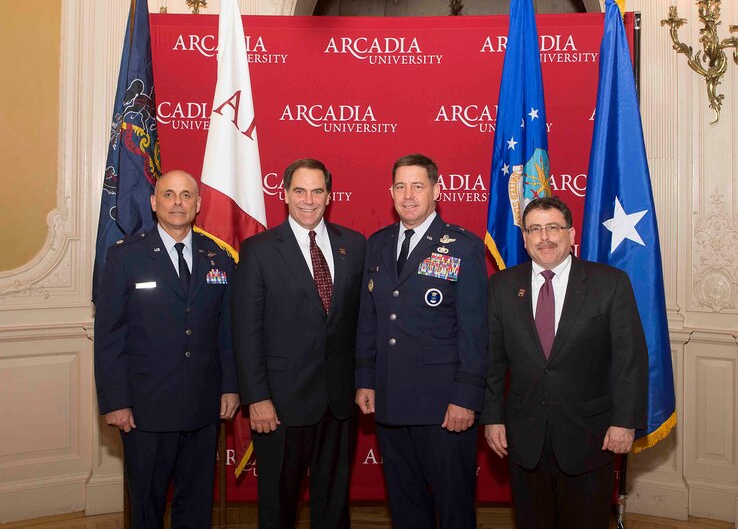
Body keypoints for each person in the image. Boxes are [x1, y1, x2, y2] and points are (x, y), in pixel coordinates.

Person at [481, 196, 649, 529]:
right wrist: (492, 417)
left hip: (590, 436)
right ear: (525, 238)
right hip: (524, 437)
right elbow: (493, 360)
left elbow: (630, 359)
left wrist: (624, 421)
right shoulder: (501, 285)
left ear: (572, 234)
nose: (544, 237)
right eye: (534, 229)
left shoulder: (610, 283)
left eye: (553, 228)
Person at [94, 170, 240, 529]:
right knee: (147, 506)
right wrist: (115, 401)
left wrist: (231, 385)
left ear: (199, 204)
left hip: (202, 406)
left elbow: (226, 330)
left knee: (196, 506)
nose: (178, 203)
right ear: (153, 202)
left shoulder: (218, 258)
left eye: (186, 195)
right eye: (169, 195)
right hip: (145, 409)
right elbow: (109, 335)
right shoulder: (125, 257)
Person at [355, 154, 488, 528]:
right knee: (405, 505)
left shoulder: (463, 246)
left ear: (437, 190)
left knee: (453, 507)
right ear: (391, 192)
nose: (408, 195)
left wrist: (465, 398)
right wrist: (365, 376)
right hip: (391, 399)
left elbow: (475, 330)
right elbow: (370, 317)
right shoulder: (377, 244)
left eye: (418, 185)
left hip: (443, 407)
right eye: (400, 186)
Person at [232, 158, 365, 528]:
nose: (309, 199)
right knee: (278, 503)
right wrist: (256, 398)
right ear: (285, 193)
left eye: (318, 191)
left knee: (334, 504)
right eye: (300, 190)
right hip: (280, 406)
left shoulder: (353, 246)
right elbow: (246, 331)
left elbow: (360, 323)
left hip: (338, 403)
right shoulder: (258, 250)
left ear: (330, 195)